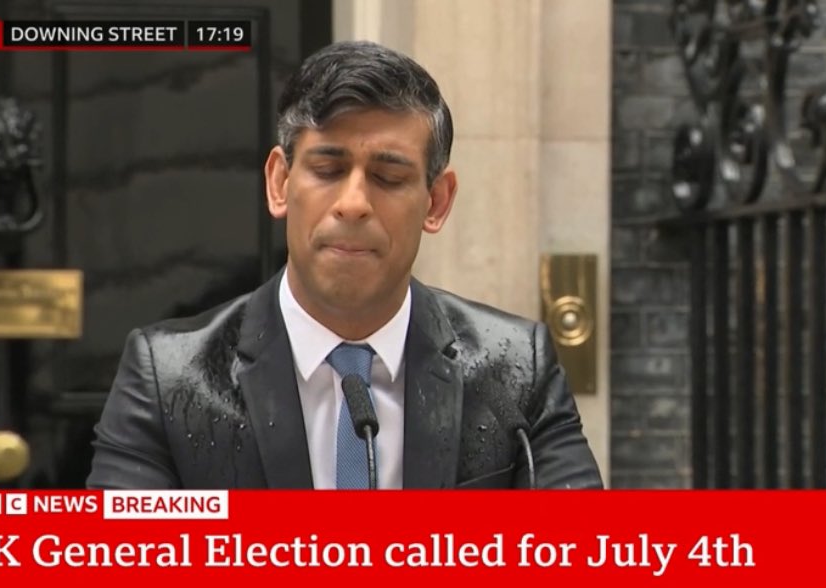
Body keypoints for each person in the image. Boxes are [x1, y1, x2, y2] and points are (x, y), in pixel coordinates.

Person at [87, 40, 602, 490]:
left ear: (437, 202)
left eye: (388, 176)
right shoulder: (168, 377)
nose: (353, 203)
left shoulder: (517, 370)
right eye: (328, 170)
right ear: (280, 183)